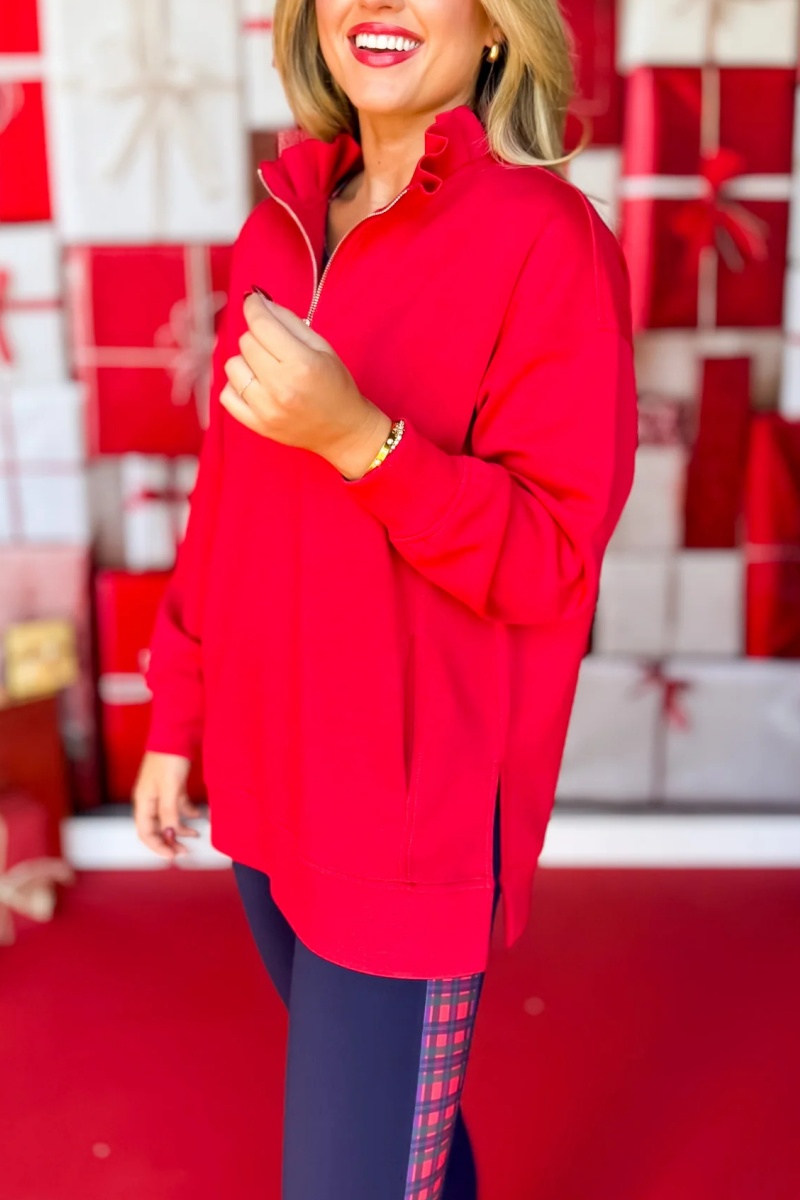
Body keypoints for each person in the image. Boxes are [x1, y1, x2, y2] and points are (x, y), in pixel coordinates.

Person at [133, 0, 637, 1194]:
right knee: (401, 1138)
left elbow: (550, 558)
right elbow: (228, 496)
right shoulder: (280, 225)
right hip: (264, 778)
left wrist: (360, 440)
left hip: (408, 822)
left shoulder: (548, 239)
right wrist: (177, 714)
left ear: (496, 25)